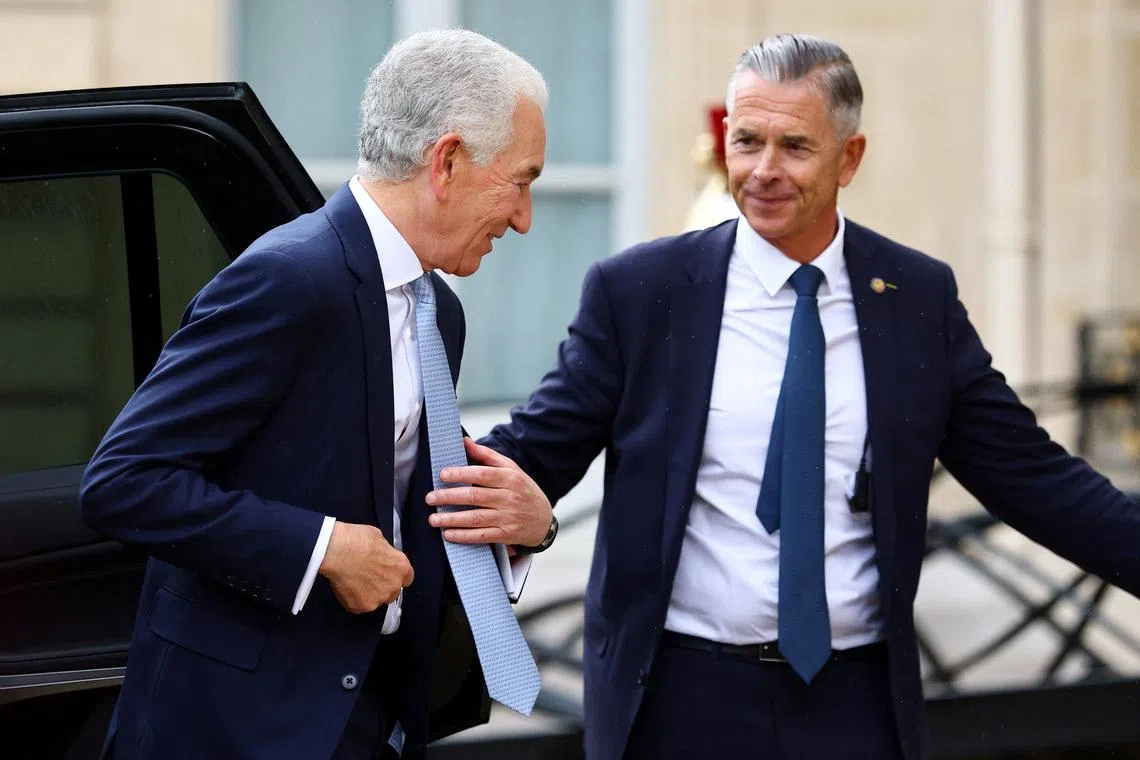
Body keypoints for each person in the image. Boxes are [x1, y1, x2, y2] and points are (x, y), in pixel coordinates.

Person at [429, 33, 1140, 759]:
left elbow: (1034, 476)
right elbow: (534, 452)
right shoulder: (643, 294)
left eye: (795, 147)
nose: (763, 171)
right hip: (678, 702)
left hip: (855, 705)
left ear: (850, 158)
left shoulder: (916, 299)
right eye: (746, 141)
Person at [79, 28, 556, 760]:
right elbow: (124, 482)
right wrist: (321, 548)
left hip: (367, 722)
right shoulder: (289, 279)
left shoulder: (439, 312)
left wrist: (523, 530)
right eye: (520, 180)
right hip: (229, 731)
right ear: (448, 161)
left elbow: (396, 516)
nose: (522, 217)